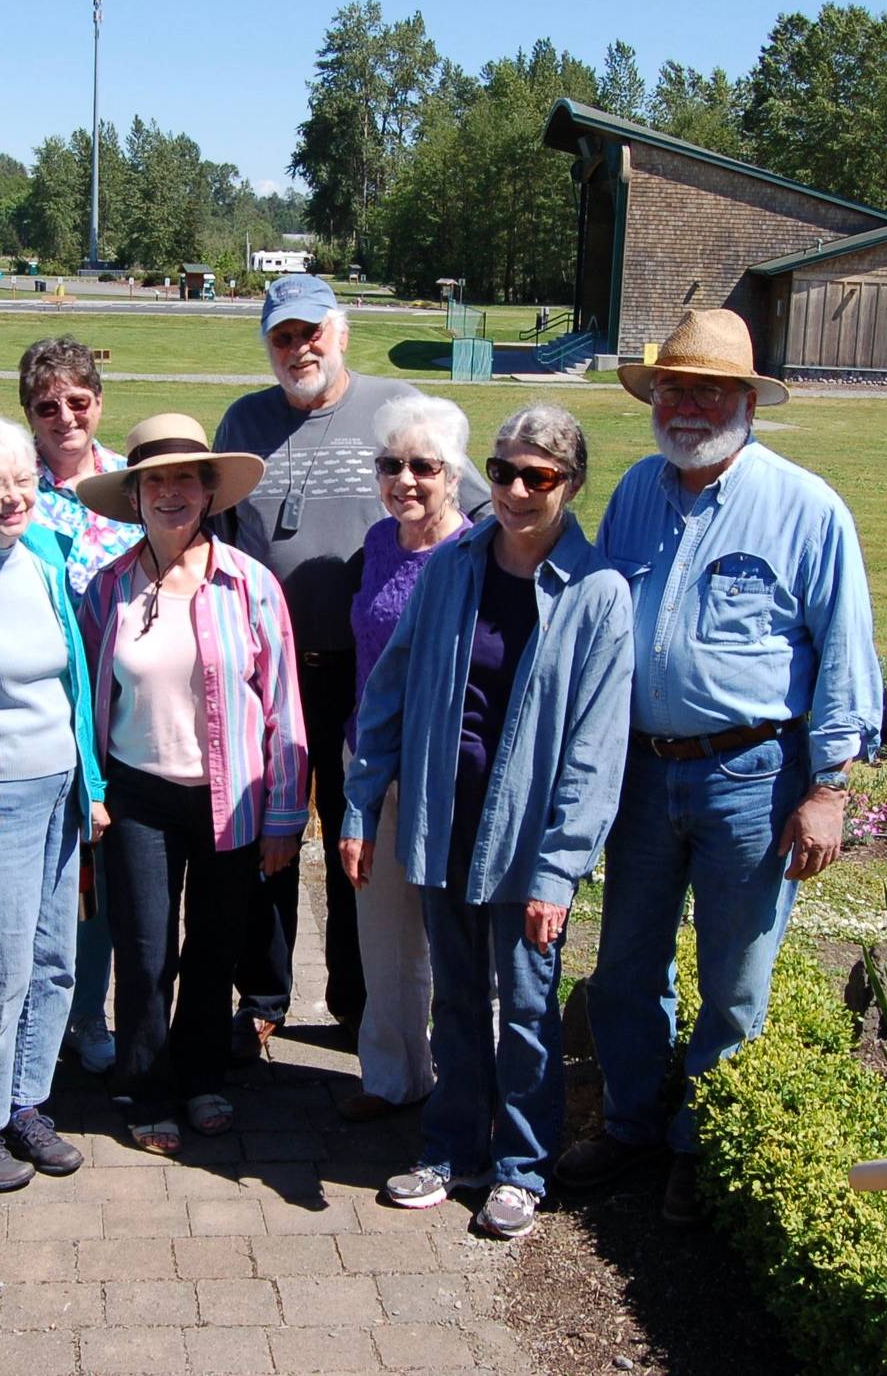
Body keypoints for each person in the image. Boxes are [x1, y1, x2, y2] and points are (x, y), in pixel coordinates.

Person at [558, 307, 882, 1226]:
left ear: (745, 400)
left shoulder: (806, 507)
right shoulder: (633, 494)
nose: (686, 405)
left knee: (735, 978)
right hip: (646, 774)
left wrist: (828, 787)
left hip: (756, 776)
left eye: (707, 389)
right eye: (672, 386)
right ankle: (631, 1122)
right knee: (625, 964)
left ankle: (701, 1146)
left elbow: (846, 651)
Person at [341, 404, 631, 1240]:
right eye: (503, 471)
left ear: (570, 486)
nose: (514, 490)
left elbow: (595, 749)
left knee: (529, 1012)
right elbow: (387, 694)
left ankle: (523, 1166)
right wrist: (361, 802)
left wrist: (558, 869)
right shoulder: (454, 565)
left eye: (537, 476)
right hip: (444, 818)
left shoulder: (598, 595)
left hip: (528, 839)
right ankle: (454, 1148)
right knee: (459, 1002)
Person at [213, 274, 490, 1057]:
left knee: (354, 837)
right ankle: (261, 995)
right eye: (283, 337)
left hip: (367, 671)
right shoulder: (244, 420)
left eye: (311, 333)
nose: (299, 348)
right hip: (268, 670)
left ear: (341, 333)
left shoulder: (394, 409)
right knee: (266, 835)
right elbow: (219, 527)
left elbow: (473, 510)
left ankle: (355, 999)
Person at [75, 415, 309, 1155]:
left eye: (185, 478)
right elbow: (83, 698)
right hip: (139, 795)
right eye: (155, 480)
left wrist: (284, 817)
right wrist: (93, 789)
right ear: (135, 494)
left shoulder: (252, 585)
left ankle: (202, 1075)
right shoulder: (106, 588)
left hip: (231, 797)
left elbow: (284, 705)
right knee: (145, 952)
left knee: (214, 946)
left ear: (208, 492)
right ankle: (148, 1085)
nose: (171, 493)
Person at [0, 417, 107, 1192]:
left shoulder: (44, 552)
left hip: (62, 784)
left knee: (56, 959)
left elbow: (73, 680)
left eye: (24, 482)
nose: (12, 498)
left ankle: (25, 1101)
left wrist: (93, 786)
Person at [338, 395, 474, 1123]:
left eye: (425, 465)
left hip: (443, 768)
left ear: (455, 474)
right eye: (391, 464)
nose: (406, 479)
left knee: (450, 936)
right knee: (382, 931)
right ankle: (394, 1076)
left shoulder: (475, 554)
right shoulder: (381, 541)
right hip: (369, 756)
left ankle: (464, 1081)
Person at [17, 336, 143, 1077]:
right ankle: (37, 1009)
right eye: (46, 405)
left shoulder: (129, 487)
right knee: (39, 867)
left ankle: (89, 1009)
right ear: (28, 414)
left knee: (101, 863)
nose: (64, 417)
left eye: (78, 402)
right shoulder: (9, 485)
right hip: (35, 705)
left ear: (99, 403)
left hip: (118, 702)